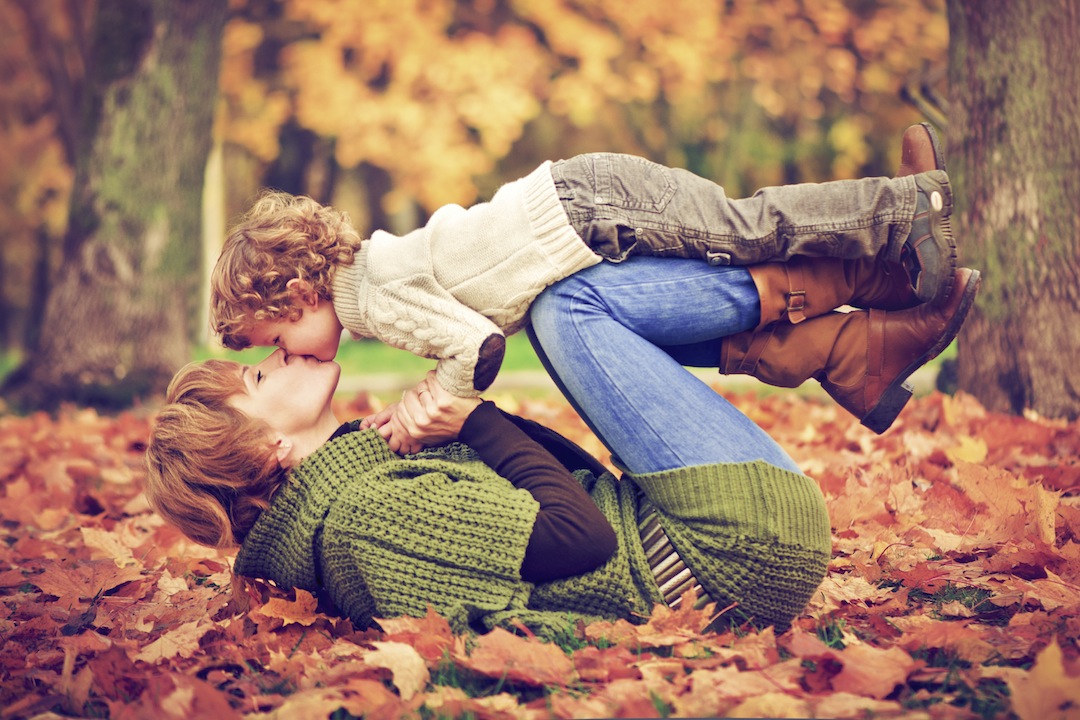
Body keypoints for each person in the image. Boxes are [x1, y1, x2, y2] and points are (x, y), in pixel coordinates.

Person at [147, 230, 980, 638]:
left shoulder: (364, 478)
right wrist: (476, 420)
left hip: (710, 539)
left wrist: (482, 426)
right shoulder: (364, 519)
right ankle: (865, 284)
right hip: (728, 554)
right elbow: (580, 539)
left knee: (560, 306)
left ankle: (846, 337)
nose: (272, 355)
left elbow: (578, 484)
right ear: (269, 452)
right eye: (256, 380)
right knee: (562, 304)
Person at [208, 125, 956, 445]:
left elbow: (477, 346)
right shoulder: (369, 279)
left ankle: (905, 211)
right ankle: (853, 353)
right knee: (699, 286)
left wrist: (434, 402)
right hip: (582, 218)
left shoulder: (367, 297)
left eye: (277, 341)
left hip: (588, 205)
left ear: (297, 296)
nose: (292, 357)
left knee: (750, 227)